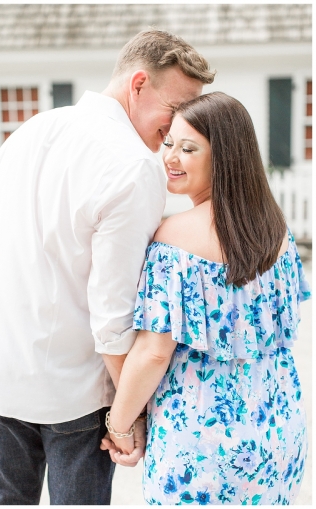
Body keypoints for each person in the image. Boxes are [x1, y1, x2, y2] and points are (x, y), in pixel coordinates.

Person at [0, 29, 215, 504]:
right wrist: (131, 417)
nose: (176, 129)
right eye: (176, 109)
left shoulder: (29, 131)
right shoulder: (134, 167)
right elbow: (112, 315)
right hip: (75, 394)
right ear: (139, 83)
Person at [102, 92, 310, 504]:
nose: (170, 158)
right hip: (279, 434)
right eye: (169, 144)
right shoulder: (278, 233)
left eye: (189, 148)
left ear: (225, 158)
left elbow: (153, 354)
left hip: (200, 445)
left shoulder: (175, 239)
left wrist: (120, 426)